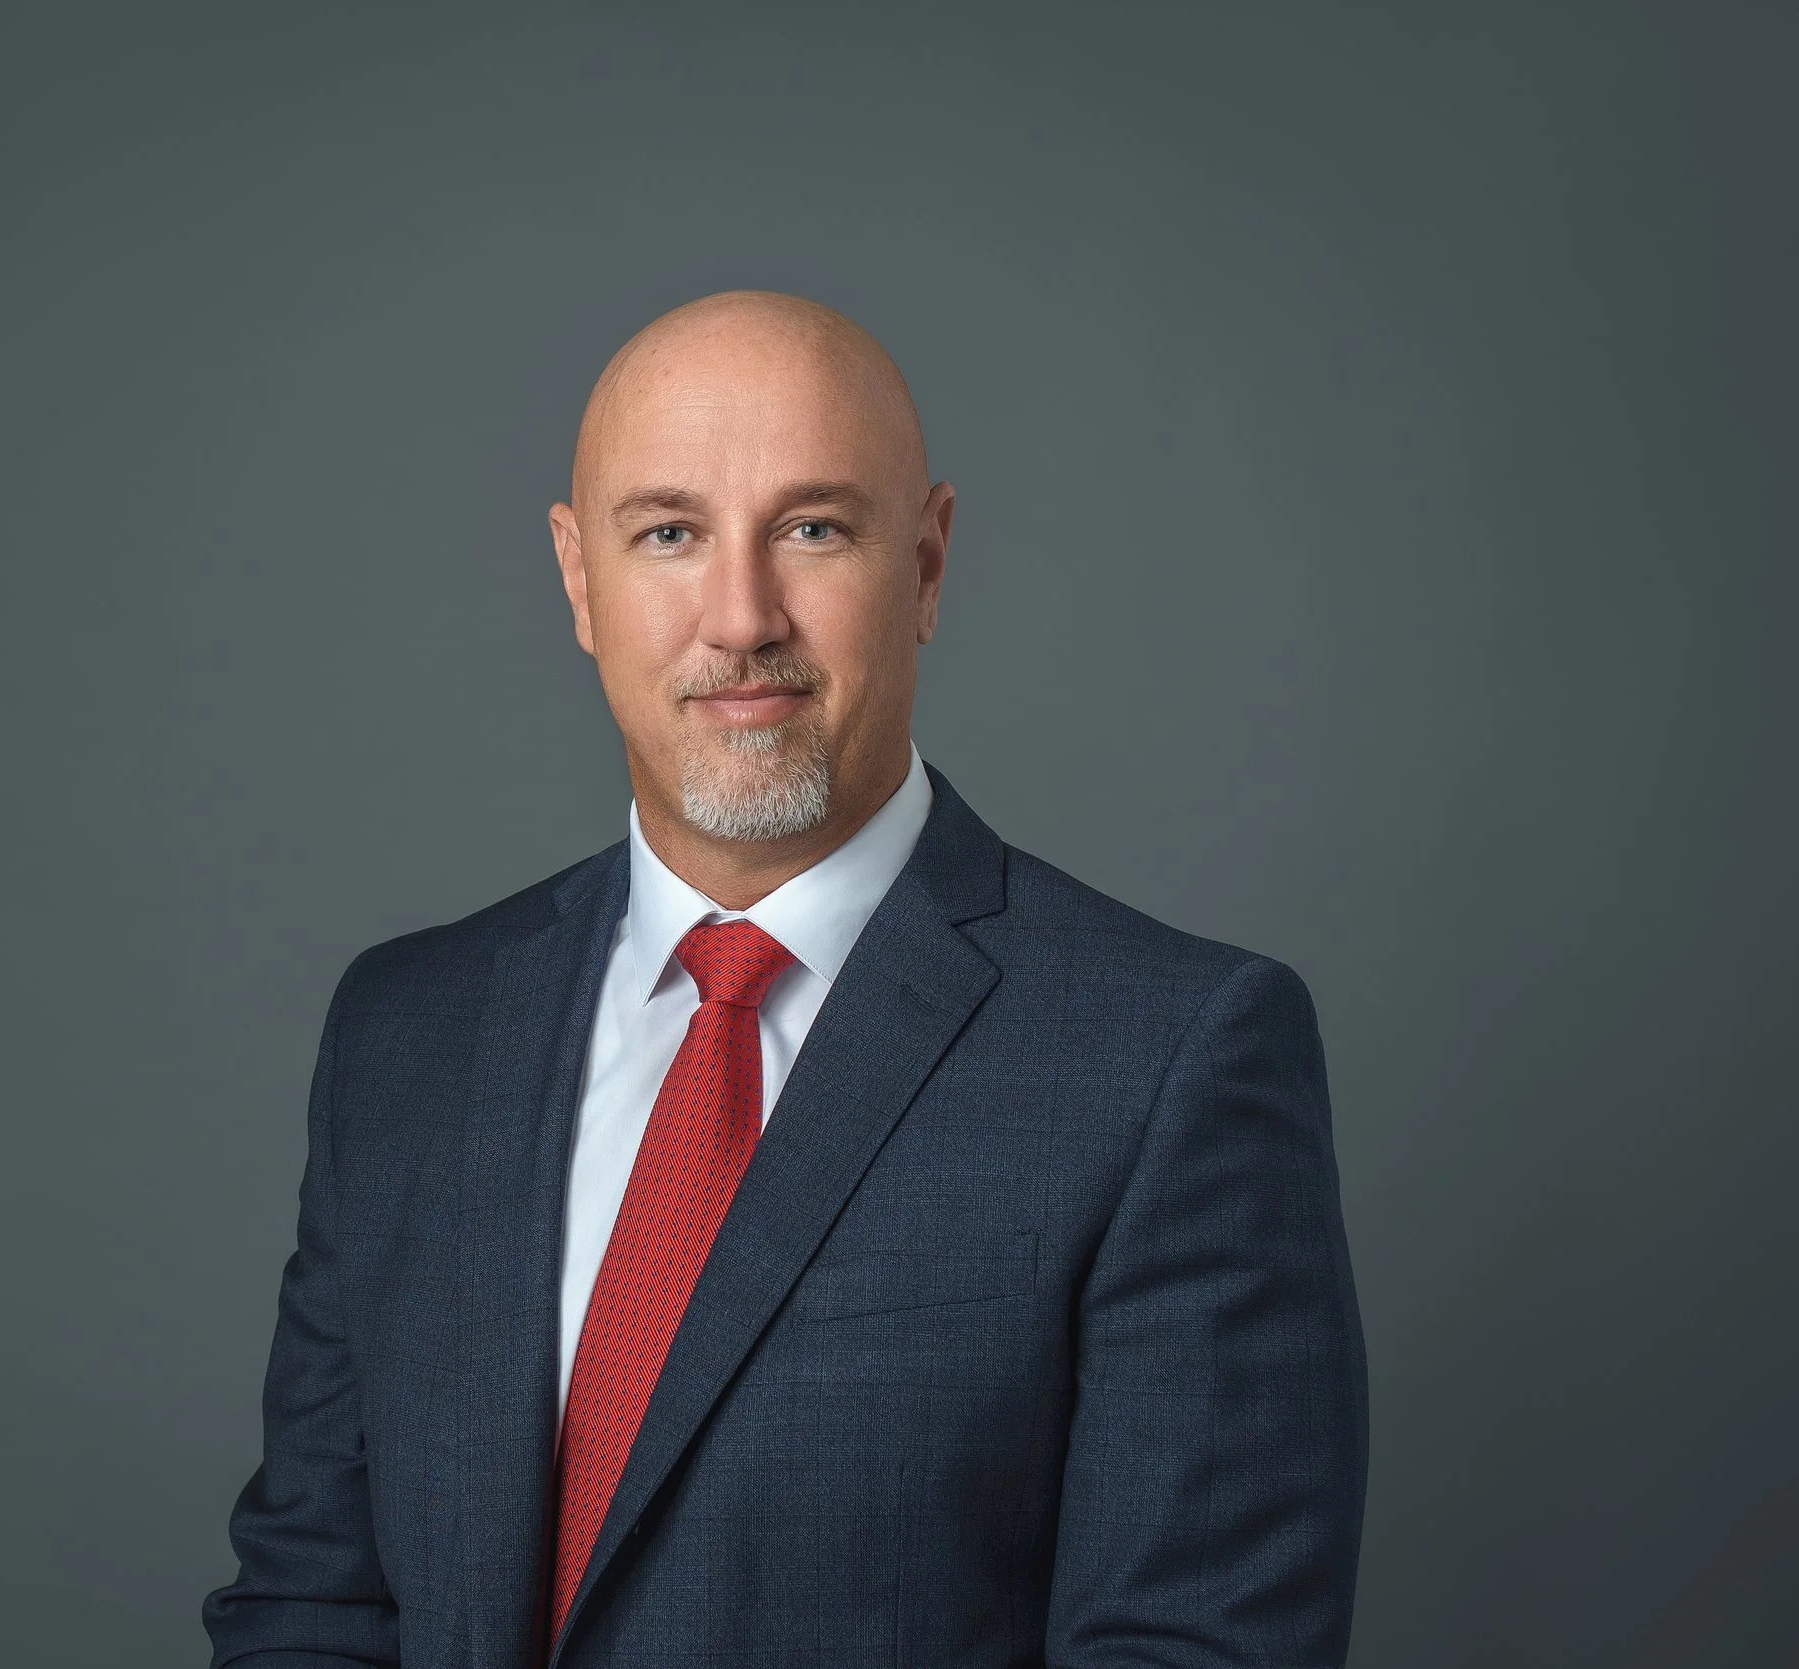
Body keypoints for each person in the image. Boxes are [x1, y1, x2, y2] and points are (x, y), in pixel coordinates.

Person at [202, 291, 1367, 1667]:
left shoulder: (1172, 1060)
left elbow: (1193, 1648)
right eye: (670, 534)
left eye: (814, 529)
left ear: (927, 565)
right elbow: (312, 1607)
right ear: (580, 579)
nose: (742, 618)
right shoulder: (410, 1038)